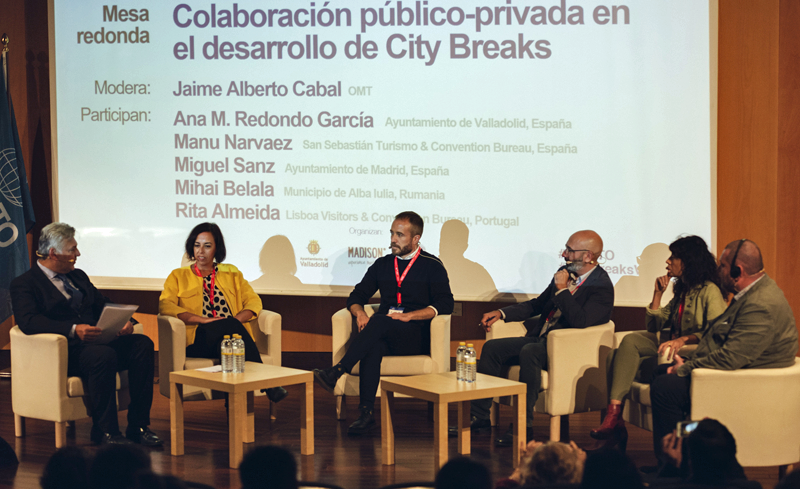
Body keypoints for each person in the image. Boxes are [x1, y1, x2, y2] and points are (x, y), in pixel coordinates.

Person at [10, 223, 162, 446]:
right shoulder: (24, 284)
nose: (77, 254)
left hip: (97, 344)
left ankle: (138, 426)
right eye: (72, 250)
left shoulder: (77, 276)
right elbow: (28, 321)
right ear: (54, 253)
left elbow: (102, 302)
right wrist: (73, 330)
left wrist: (125, 319)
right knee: (103, 355)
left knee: (142, 344)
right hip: (65, 352)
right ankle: (106, 431)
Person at [650, 239, 799, 462]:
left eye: (722, 266)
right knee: (662, 374)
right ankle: (680, 461)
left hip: (743, 385)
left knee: (665, 387)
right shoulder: (753, 292)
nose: (717, 271)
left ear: (738, 271)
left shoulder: (760, 304)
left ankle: (675, 467)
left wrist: (686, 368)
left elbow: (731, 357)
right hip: (732, 374)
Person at [466, 230, 614, 447]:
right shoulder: (564, 272)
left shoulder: (601, 286)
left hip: (568, 349)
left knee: (530, 352)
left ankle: (523, 425)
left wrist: (563, 290)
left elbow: (581, 321)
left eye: (570, 251)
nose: (564, 254)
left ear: (588, 256)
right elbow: (538, 304)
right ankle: (479, 416)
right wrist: (502, 313)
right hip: (542, 340)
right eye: (565, 248)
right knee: (492, 348)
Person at [313, 211, 454, 435]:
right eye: (391, 234)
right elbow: (356, 296)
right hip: (385, 332)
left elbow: (446, 304)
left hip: (414, 335)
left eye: (400, 235)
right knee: (373, 343)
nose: (393, 240)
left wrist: (410, 316)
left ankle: (338, 370)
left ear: (415, 239)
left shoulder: (432, 265)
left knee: (378, 322)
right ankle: (366, 413)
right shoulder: (383, 264)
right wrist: (359, 314)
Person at [590, 236, 726, 447]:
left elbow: (716, 331)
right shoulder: (683, 289)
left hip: (686, 357)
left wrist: (684, 339)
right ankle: (615, 419)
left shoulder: (709, 291)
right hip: (666, 350)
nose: (668, 262)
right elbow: (654, 326)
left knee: (623, 350)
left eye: (673, 257)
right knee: (616, 355)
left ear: (688, 261)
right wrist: (657, 295)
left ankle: (615, 426)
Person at [158, 222, 287, 403]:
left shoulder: (232, 273)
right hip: (198, 340)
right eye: (197, 245)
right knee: (231, 342)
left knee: (228, 347)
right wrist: (202, 320)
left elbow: (253, 301)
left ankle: (233, 410)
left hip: (230, 337)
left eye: (207, 246)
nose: (201, 251)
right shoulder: (178, 276)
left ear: (217, 249)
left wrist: (234, 321)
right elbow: (166, 306)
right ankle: (268, 383)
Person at [659, 419, 762, 488]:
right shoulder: (753, 486)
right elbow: (738, 479)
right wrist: (719, 436)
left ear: (690, 461)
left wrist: (674, 465)